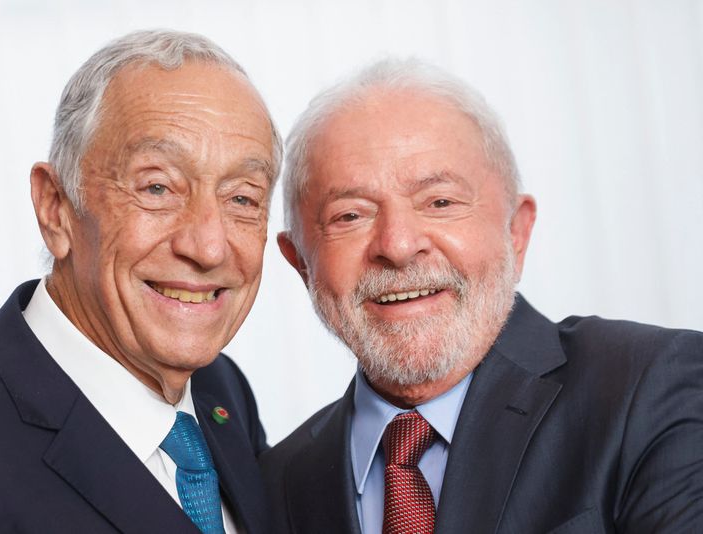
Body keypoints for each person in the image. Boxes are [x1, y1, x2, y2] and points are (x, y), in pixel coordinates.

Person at [260, 58, 703, 533]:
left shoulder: (651, 386)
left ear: (517, 231)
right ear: (300, 262)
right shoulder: (274, 484)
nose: (398, 245)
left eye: (440, 202)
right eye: (350, 215)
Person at [0, 30, 281, 533]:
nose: (208, 247)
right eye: (157, 187)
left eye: (242, 199)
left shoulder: (220, 389)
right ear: (56, 209)